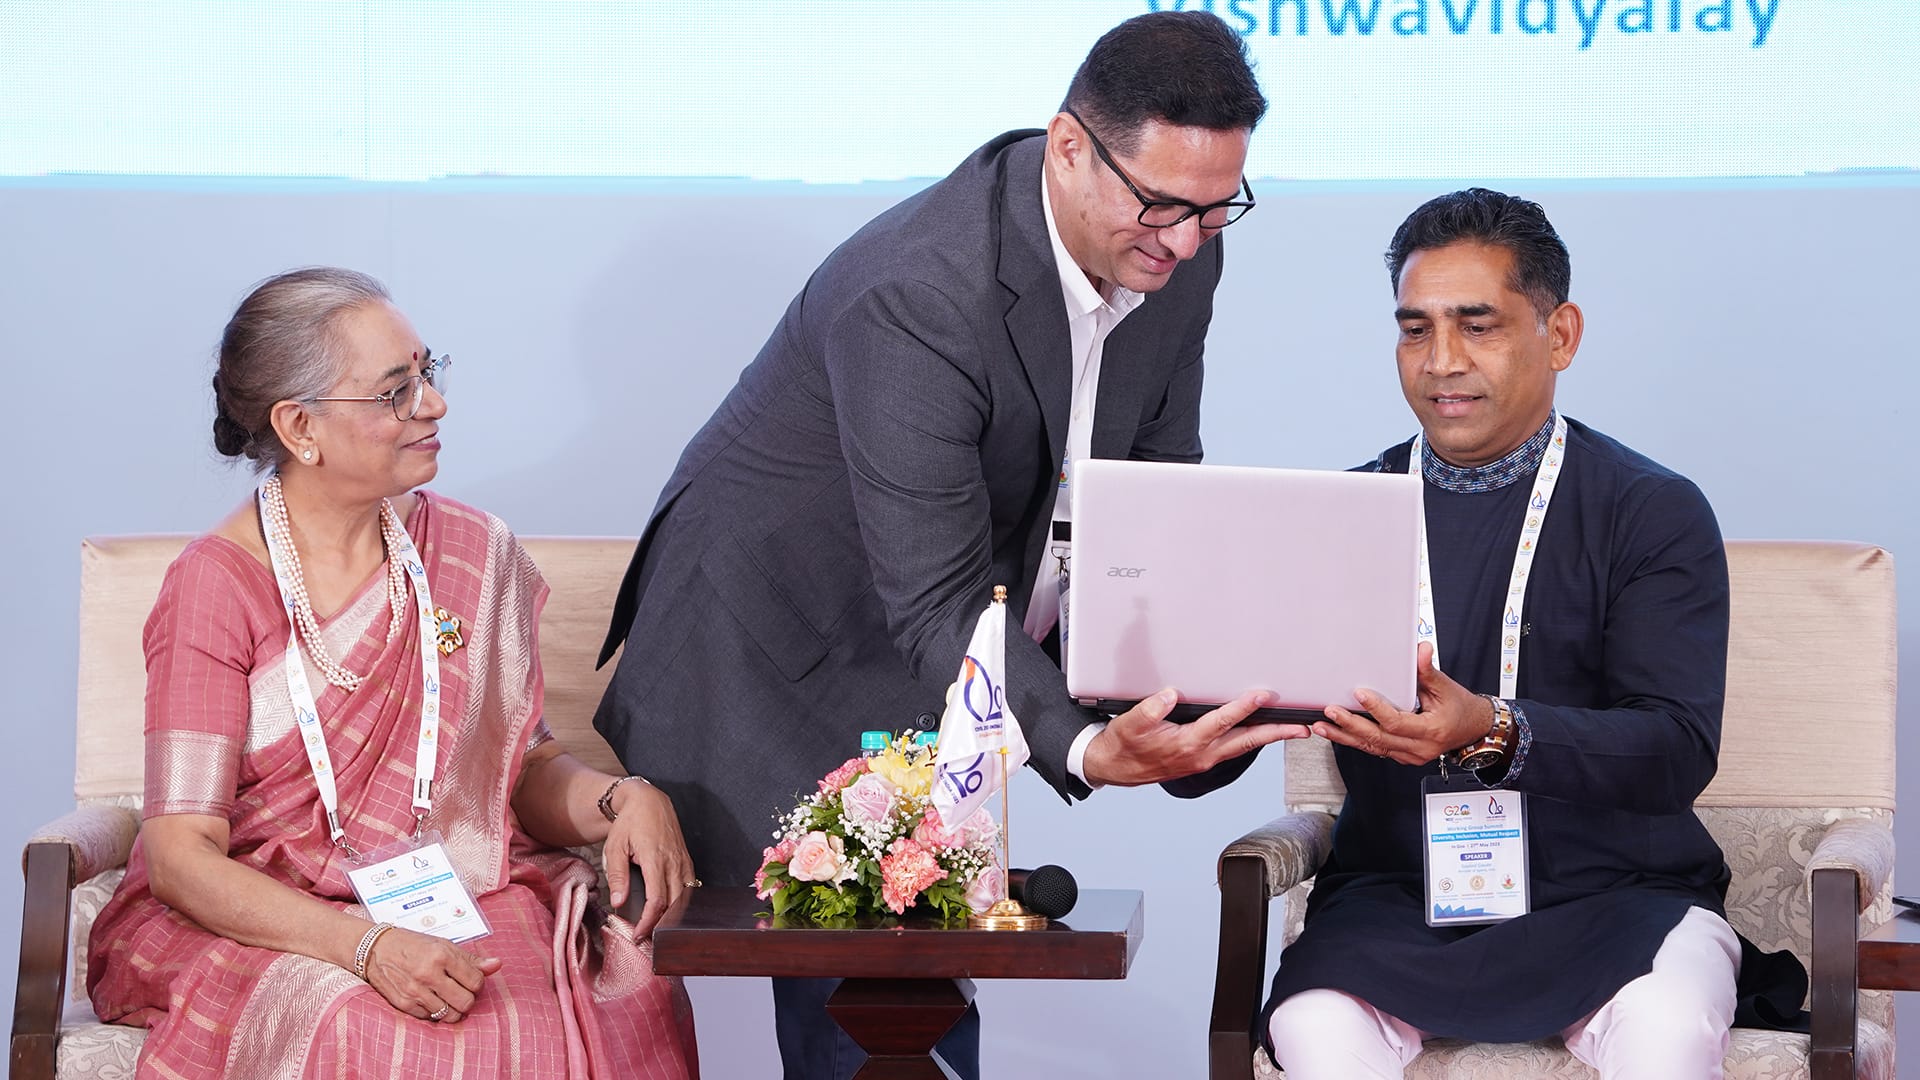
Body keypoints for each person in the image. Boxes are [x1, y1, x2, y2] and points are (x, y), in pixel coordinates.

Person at [592, 11, 1302, 1078]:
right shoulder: (917, 292)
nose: (1186, 240)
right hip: (775, 643)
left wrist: (1194, 700)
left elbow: (1151, 503)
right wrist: (1085, 747)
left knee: (922, 972)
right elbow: (935, 601)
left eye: (1217, 208)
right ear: (1069, 147)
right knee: (866, 982)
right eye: (1161, 204)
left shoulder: (1180, 254)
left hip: (937, 641)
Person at [1173, 189, 1808, 1078]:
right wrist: (1172, 718)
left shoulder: (1649, 510)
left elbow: (1675, 749)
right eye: (1415, 330)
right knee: (1314, 1026)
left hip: (1619, 897)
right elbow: (1229, 724)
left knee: (1667, 1025)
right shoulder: (1338, 516)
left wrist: (1492, 729)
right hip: (1399, 902)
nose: (1442, 361)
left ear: (1561, 335)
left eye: (1478, 326)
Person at [88, 268, 700, 1078]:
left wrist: (625, 798)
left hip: (459, 888)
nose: (434, 404)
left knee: (577, 999)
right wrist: (364, 946)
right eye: (395, 392)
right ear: (300, 426)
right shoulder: (217, 585)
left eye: (427, 372)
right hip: (276, 918)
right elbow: (181, 855)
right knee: (374, 1032)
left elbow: (523, 773)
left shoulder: (474, 554)